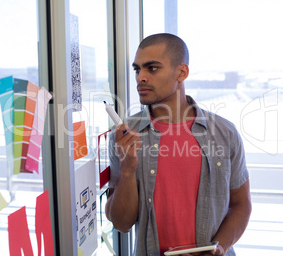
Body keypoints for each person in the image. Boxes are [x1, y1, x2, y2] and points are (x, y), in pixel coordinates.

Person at [105, 33, 251, 256]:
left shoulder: (225, 133)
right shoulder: (125, 135)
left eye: (152, 68)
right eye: (137, 69)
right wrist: (127, 168)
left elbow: (240, 205)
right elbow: (122, 223)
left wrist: (219, 248)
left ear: (182, 72)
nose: (140, 77)